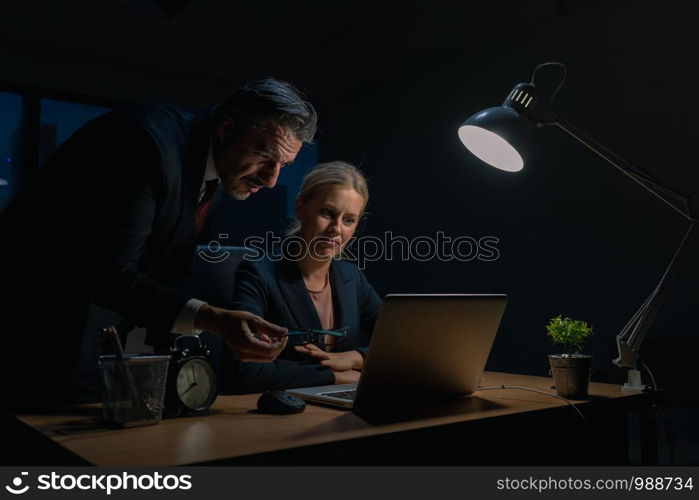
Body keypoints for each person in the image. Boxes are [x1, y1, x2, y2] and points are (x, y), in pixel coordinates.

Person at [1, 78, 317, 409]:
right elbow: (111, 273)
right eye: (266, 154)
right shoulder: (145, 144)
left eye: (284, 166)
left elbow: (171, 269)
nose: (271, 180)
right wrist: (215, 320)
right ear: (226, 128)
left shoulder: (217, 169)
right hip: (26, 335)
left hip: (82, 347)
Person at [225, 161, 382, 393]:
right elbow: (241, 370)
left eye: (349, 220)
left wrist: (355, 358)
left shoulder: (352, 278)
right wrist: (332, 376)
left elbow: (401, 346)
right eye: (327, 213)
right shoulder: (259, 274)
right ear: (300, 208)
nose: (336, 229)